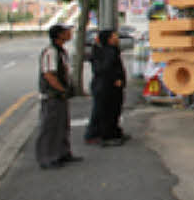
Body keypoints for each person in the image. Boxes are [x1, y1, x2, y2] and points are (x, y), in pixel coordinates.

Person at [36, 24, 82, 169]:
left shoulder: (61, 51)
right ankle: (47, 158)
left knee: (62, 125)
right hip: (52, 96)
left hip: (60, 96)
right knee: (50, 127)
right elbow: (49, 75)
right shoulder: (51, 52)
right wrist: (62, 89)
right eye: (67, 31)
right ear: (59, 35)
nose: (70, 33)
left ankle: (62, 153)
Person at [85, 29, 128, 146]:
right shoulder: (106, 51)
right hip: (105, 86)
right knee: (104, 111)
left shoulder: (110, 50)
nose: (117, 38)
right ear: (109, 39)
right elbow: (106, 68)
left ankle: (112, 133)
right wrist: (115, 79)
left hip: (108, 86)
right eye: (114, 36)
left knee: (113, 110)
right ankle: (99, 135)